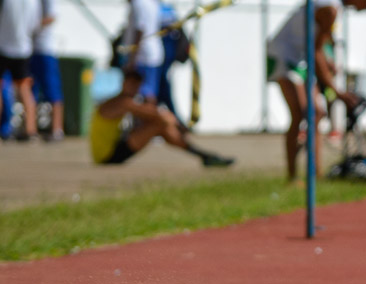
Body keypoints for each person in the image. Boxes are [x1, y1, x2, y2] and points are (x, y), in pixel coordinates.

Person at [267, 0, 366, 181]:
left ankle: (315, 174)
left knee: (316, 113)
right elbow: (315, 53)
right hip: (284, 55)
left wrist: (328, 60)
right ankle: (292, 176)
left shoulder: (334, 7)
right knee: (300, 112)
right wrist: (337, 91)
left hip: (301, 56)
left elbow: (320, 44)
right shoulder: (329, 9)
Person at [89, 68, 234, 166]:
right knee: (160, 125)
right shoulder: (123, 103)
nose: (134, 89)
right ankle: (202, 155)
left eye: (136, 86)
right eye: (132, 85)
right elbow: (161, 117)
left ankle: (203, 155)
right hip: (106, 157)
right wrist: (177, 124)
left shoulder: (118, 101)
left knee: (159, 125)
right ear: (124, 83)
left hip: (109, 150)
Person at [0, 0, 40, 141]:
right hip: (23, 48)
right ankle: (30, 130)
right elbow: (34, 24)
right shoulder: (33, 1)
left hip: (3, 46)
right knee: (24, 89)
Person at [29, 0, 63, 140]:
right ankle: (31, 130)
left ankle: (57, 130)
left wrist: (31, 27)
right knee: (31, 90)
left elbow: (52, 16)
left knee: (53, 91)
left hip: (45, 50)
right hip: (30, 49)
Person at [124, 0, 165, 105]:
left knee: (142, 93)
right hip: (152, 54)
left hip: (142, 55)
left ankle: (148, 119)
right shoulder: (152, 3)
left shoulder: (139, 3)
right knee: (149, 92)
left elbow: (140, 29)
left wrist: (132, 58)